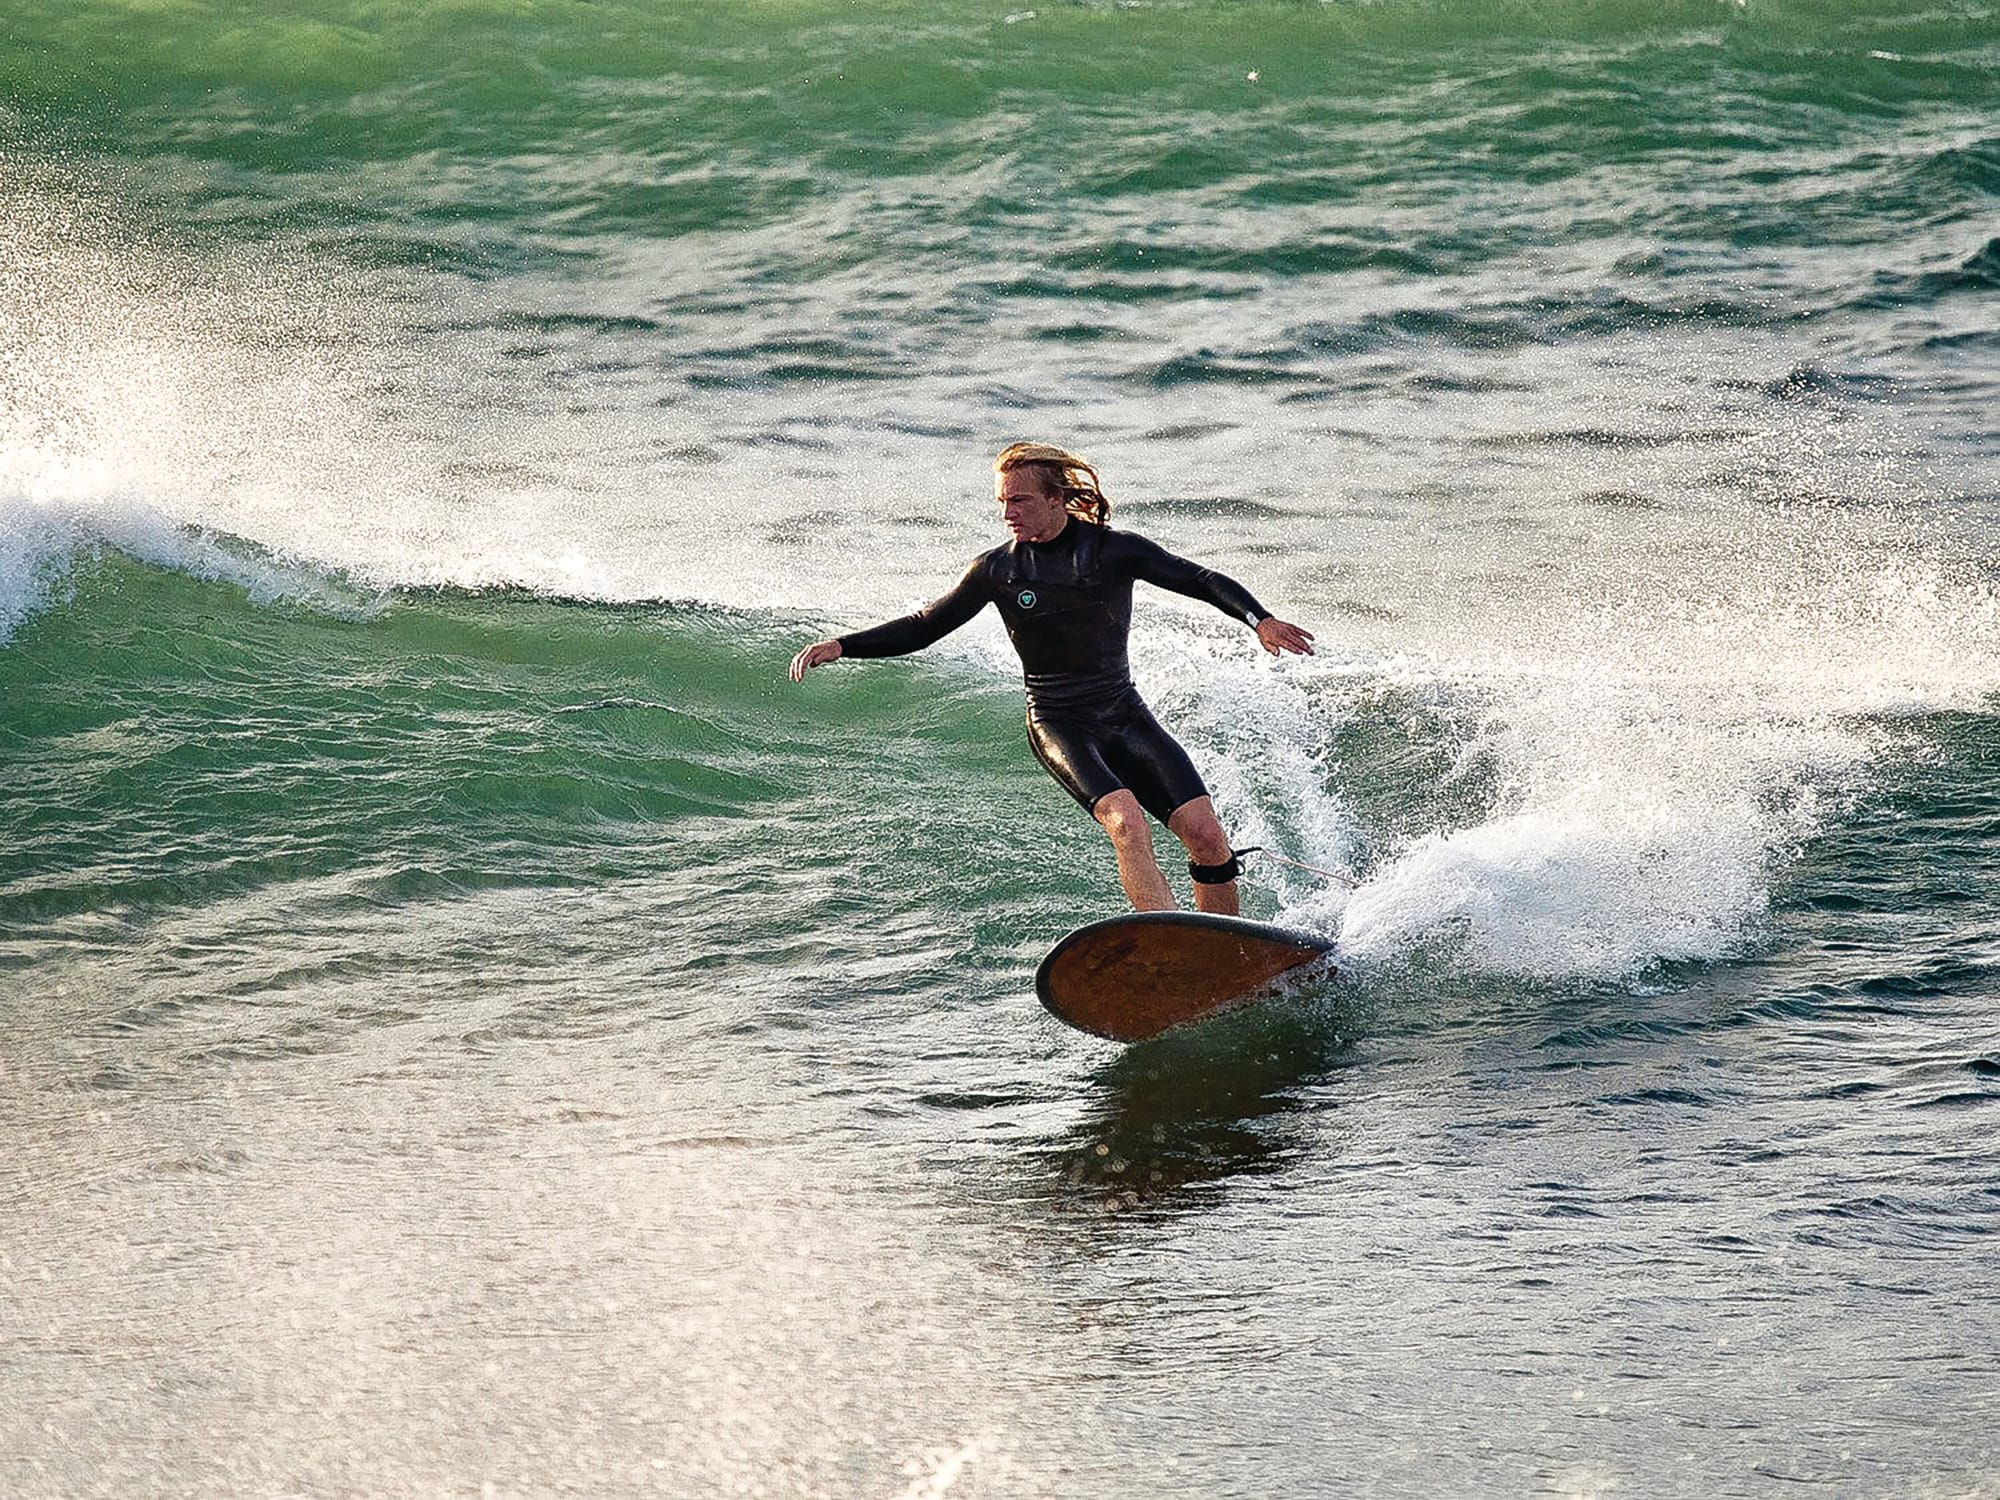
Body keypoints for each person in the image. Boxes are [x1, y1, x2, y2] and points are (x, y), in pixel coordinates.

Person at [789, 442, 1314, 914]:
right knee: (1126, 822)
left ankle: (1221, 944)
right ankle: (1168, 935)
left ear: (1056, 499)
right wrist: (843, 645)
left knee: (1205, 833)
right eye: (1002, 502)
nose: (1007, 513)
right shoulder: (996, 570)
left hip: (1123, 711)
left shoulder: (1114, 551)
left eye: (1019, 500)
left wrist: (1258, 620)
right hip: (1059, 721)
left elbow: (1197, 578)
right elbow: (926, 625)